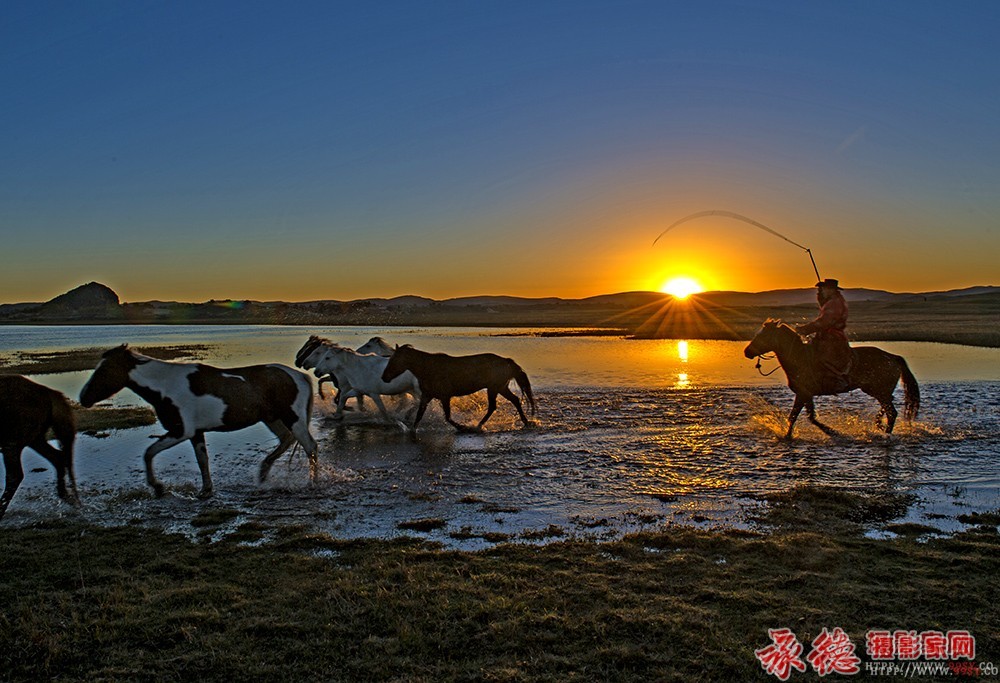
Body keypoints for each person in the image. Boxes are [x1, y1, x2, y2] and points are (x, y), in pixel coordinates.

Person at [795, 278, 852, 393]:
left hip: (831, 338)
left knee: (818, 356)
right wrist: (820, 298)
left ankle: (836, 379)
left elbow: (824, 322)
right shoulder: (834, 300)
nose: (823, 291)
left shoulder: (834, 303)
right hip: (831, 336)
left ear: (830, 289)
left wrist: (805, 329)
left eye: (824, 289)